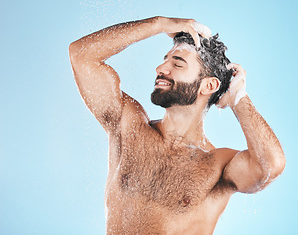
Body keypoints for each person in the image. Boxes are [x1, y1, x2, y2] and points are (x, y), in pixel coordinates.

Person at [69, 16, 285, 234]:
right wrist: (159, 24)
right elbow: (82, 55)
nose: (161, 68)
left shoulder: (218, 165)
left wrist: (238, 97)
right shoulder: (129, 125)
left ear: (209, 85)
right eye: (165, 60)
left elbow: (271, 164)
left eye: (177, 63)